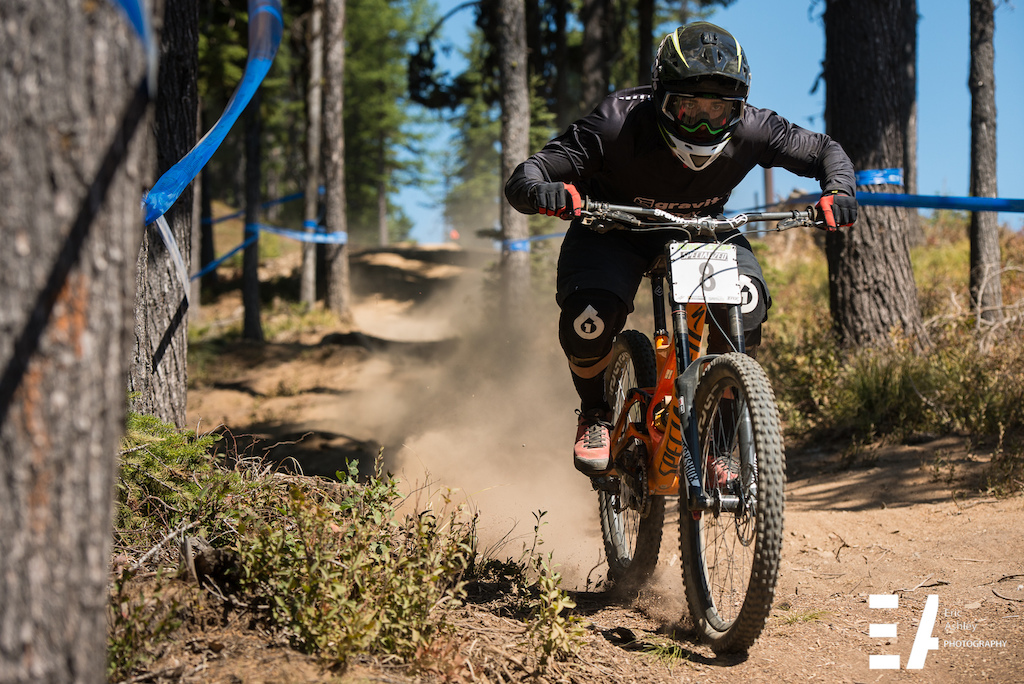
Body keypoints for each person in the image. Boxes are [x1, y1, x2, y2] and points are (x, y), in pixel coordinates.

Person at [504, 22, 858, 478]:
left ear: (740, 108)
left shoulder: (754, 128)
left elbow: (825, 151)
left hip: (701, 230)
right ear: (660, 99)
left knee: (745, 311)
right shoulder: (615, 123)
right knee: (587, 323)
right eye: (689, 108)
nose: (705, 123)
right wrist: (543, 191)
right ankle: (594, 415)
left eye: (719, 110)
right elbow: (526, 175)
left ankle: (721, 447)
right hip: (613, 229)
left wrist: (839, 190)